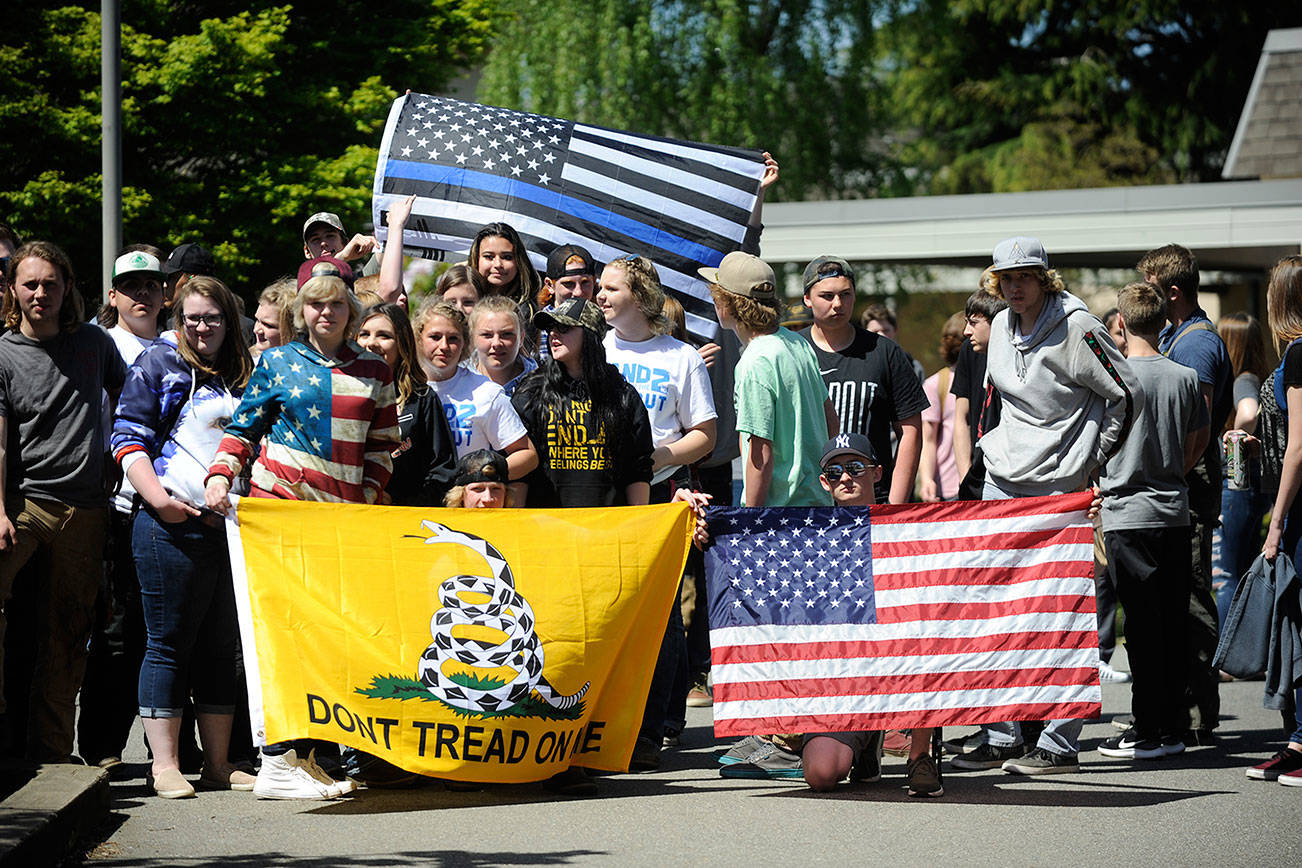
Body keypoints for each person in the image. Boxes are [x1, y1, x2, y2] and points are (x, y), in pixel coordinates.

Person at [205, 259, 399, 800]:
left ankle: (312, 758)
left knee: (329, 640)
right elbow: (243, 428)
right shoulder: (277, 363)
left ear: (351, 309)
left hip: (341, 527)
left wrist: (368, 497)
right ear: (300, 309)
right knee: (285, 636)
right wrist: (221, 474)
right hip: (282, 516)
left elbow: (384, 447)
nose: (326, 312)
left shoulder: (375, 370)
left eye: (336, 302)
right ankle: (278, 761)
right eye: (316, 302)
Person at [952, 236, 1137, 775]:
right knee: (996, 610)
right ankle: (1002, 732)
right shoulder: (1001, 325)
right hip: (1002, 483)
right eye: (1005, 278)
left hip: (1060, 487)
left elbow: (1125, 392)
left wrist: (1091, 458)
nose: (1014, 286)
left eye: (1024, 276)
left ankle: (1060, 741)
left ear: (1044, 279)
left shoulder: (1079, 326)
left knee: (1061, 611)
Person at [111, 275, 256, 798]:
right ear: (180, 319)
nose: (201, 327)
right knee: (168, 644)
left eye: (212, 318)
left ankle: (219, 764)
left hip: (233, 530)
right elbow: (127, 438)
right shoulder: (157, 362)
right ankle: (165, 765)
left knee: (221, 647)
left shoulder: (248, 372)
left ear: (228, 321)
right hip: (167, 526)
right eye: (192, 317)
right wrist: (159, 501)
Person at [0, 241, 128, 762]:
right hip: (22, 504)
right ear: (13, 289)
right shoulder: (3, 352)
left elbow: (133, 399)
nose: (40, 293)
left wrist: (122, 455)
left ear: (67, 288)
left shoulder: (95, 345)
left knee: (69, 631)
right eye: (30, 283)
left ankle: (53, 751)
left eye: (50, 283)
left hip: (85, 507)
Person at [597, 253, 717, 767]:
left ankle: (662, 723)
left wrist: (659, 456)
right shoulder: (594, 348)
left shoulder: (680, 357)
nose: (599, 296)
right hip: (598, 499)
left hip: (663, 497)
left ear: (640, 298)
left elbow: (705, 435)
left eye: (610, 288)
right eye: (599, 288)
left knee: (663, 616)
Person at [1095, 282, 1208, 762]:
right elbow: (1199, 439)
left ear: (1120, 322)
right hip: (1173, 511)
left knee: (1139, 625)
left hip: (1126, 513)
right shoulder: (1184, 376)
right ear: (1165, 322)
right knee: (1170, 620)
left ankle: (1147, 729)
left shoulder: (1113, 380)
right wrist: (1171, 471)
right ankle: (1170, 724)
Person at [797, 434, 942, 797]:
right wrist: (709, 531)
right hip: (842, 680)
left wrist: (1076, 511)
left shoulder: (908, 530)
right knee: (821, 774)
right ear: (824, 482)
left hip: (900, 666)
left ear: (877, 474)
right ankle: (867, 742)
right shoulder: (808, 536)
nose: (846, 477)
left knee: (932, 630)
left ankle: (920, 753)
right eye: (835, 471)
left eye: (856, 468)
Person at [78, 248, 166, 772]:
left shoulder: (183, 346)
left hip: (171, 503)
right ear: (112, 296)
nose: (141, 295)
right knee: (114, 630)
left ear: (166, 294)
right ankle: (103, 744)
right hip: (115, 503)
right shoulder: (100, 344)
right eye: (130, 286)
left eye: (151, 286)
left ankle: (170, 748)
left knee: (167, 628)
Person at [1142, 243, 1232, 746]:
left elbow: (1195, 428)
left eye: (1153, 289)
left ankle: (1197, 717)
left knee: (1193, 595)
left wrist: (1172, 474)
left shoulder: (1196, 345)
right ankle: (1174, 708)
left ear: (1172, 292)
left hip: (1189, 488)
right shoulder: (1178, 336)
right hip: (1179, 483)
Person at [802, 257, 926, 504]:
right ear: (807, 299)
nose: (838, 304)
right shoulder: (792, 351)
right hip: (807, 501)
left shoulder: (885, 351)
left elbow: (911, 431)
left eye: (845, 294)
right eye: (827, 296)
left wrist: (895, 505)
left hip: (875, 500)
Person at [511, 298, 653, 508]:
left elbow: (638, 468)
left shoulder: (622, 394)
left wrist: (639, 523)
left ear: (590, 335)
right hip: (544, 527)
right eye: (551, 327)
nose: (553, 334)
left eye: (564, 327)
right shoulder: (532, 390)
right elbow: (520, 473)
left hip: (607, 527)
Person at [1253, 254, 1302, 787]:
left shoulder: (1300, 353)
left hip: (1299, 508)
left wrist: (1276, 523)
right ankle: (1295, 739)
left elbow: (1298, 448)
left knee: (1297, 619)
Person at [413, 301, 538, 484]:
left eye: (453, 338)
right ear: (418, 338)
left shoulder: (486, 392)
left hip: (469, 506)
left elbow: (527, 454)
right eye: (435, 337)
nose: (444, 346)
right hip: (410, 506)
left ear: (465, 342)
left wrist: (484, 477)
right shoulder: (402, 389)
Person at [356, 302, 457, 507]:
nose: (372, 343)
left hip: (406, 519)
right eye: (364, 334)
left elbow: (443, 471)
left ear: (402, 344)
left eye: (384, 336)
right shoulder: (337, 394)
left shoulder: (422, 398)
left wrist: (400, 503)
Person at [1215, 312, 1271, 625]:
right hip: (1252, 488)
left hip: (1236, 488)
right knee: (1245, 569)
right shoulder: (1259, 378)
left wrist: (1234, 443)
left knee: (1227, 573)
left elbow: (1247, 414)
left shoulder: (1243, 379)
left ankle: (1227, 659)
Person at [950, 287, 1006, 500]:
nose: (966, 331)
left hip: (1010, 475)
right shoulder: (969, 351)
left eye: (974, 323)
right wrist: (966, 475)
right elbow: (961, 418)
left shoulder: (1023, 354)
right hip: (977, 474)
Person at [919, 312, 964, 501]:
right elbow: (928, 439)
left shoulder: (988, 379)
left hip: (979, 485)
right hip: (946, 487)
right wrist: (927, 479)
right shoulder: (936, 384)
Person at [471, 295, 537, 397]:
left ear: (521, 338)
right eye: (487, 335)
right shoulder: (455, 384)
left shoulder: (541, 386)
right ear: (472, 338)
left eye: (506, 334)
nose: (496, 343)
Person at [467, 222, 541, 308]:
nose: (498, 264)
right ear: (476, 258)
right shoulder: (460, 300)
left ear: (519, 262)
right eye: (489, 257)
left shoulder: (528, 312)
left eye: (507, 257)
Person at [861, 302, 926, 383]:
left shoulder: (913, 367)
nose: (882, 336)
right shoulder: (857, 366)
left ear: (895, 330)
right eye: (875, 332)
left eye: (886, 331)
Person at [302, 211, 377, 265]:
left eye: (330, 236)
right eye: (315, 239)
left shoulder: (364, 278)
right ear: (307, 251)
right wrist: (341, 258)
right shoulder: (303, 285)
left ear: (346, 243)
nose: (323, 243)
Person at [251, 279, 295, 360]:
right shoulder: (245, 363)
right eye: (257, 320)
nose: (256, 330)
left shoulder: (307, 369)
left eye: (268, 325)